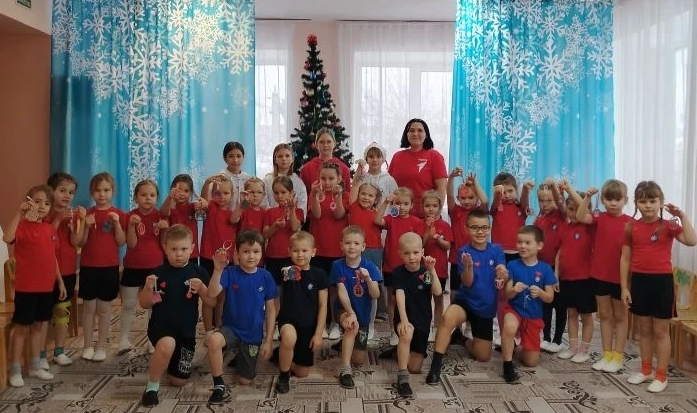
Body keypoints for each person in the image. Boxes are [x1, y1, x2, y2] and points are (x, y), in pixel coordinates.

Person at [621, 181, 696, 393]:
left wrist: (681, 216)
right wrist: (624, 287)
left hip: (662, 283)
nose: (648, 205)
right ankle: (646, 370)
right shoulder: (631, 227)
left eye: (652, 201)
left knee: (661, 332)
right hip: (639, 282)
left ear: (661, 202)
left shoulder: (669, 225)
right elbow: (625, 259)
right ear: (636, 203)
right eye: (643, 201)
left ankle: (662, 376)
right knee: (644, 330)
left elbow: (691, 241)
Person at [426, 210, 507, 385]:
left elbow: (502, 271)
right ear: (466, 229)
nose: (480, 232)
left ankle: (462, 339)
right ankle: (435, 366)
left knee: (483, 356)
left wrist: (502, 273)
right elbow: (467, 283)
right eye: (475, 227)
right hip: (466, 302)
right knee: (447, 318)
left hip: (485, 308)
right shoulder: (464, 252)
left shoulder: (496, 250)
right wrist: (468, 266)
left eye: (484, 227)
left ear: (490, 228)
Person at [138, 225, 214, 407]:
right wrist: (148, 288)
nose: (179, 254)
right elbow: (144, 304)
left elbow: (212, 303)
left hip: (186, 333)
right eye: (173, 249)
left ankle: (167, 359)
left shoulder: (198, 272)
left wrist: (202, 289)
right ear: (165, 248)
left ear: (192, 248)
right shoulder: (158, 273)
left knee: (178, 381)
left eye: (183, 249)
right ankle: (151, 388)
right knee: (167, 344)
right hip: (161, 328)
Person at [205, 229, 278, 404]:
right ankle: (218, 384)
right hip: (230, 328)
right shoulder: (230, 272)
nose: (251, 256)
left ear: (262, 253)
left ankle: (238, 353)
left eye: (256, 251)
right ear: (237, 253)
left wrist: (268, 340)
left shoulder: (266, 276)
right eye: (246, 251)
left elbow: (271, 310)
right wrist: (217, 270)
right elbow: (212, 293)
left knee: (245, 380)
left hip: (252, 334)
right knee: (213, 341)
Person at [4, 185, 67, 387]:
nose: (42, 206)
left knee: (39, 326)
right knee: (22, 328)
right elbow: (7, 238)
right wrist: (19, 213)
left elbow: (52, 257)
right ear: (29, 202)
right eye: (37, 201)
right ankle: (15, 369)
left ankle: (35, 365)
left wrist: (59, 280)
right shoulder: (22, 226)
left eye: (46, 203)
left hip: (46, 287)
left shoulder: (49, 229)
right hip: (26, 288)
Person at [567, 179, 630, 373]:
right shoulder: (599, 217)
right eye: (609, 199)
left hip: (620, 278)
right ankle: (607, 354)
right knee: (605, 316)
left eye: (618, 199)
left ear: (626, 200)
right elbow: (580, 215)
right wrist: (587, 197)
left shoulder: (630, 223)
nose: (613, 203)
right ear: (602, 200)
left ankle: (618, 357)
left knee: (620, 317)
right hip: (599, 275)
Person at [78, 172, 127, 362]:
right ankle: (87, 346)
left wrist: (117, 224)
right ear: (92, 192)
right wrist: (86, 225)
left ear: (112, 191)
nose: (102, 194)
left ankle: (101, 347)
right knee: (89, 308)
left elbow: (121, 242)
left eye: (106, 190)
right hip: (88, 267)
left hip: (109, 268)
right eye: (98, 190)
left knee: (104, 309)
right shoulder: (86, 214)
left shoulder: (119, 214)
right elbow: (81, 242)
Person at [273, 231, 328, 393]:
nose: (300, 254)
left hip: (308, 325)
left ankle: (280, 354)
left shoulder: (319, 275)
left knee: (302, 372)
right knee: (289, 338)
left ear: (313, 252)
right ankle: (284, 375)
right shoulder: (287, 271)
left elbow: (323, 305)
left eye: (304, 250)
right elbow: (284, 277)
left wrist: (318, 334)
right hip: (288, 321)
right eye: (296, 250)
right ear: (289, 251)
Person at [329, 225, 382, 389]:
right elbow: (341, 291)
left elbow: (375, 295)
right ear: (341, 245)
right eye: (348, 243)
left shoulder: (370, 266)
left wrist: (368, 279)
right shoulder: (337, 265)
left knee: (358, 359)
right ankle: (345, 370)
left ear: (363, 246)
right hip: (343, 310)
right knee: (352, 326)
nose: (352, 247)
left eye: (356, 243)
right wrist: (350, 313)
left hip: (363, 314)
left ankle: (344, 343)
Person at [501, 225, 556, 383]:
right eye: (519, 242)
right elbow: (507, 294)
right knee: (510, 326)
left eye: (527, 242)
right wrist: (514, 290)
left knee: (531, 362)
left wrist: (541, 293)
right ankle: (507, 365)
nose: (522, 246)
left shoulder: (546, 269)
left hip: (533, 316)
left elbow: (550, 298)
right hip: (514, 310)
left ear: (539, 245)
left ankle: (514, 347)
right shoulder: (512, 265)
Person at [120, 180, 169, 354]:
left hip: (156, 268)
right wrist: (131, 226)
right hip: (132, 267)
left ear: (157, 198)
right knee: (128, 304)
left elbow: (164, 245)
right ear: (135, 198)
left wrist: (165, 229)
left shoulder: (161, 216)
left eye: (152, 195)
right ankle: (123, 340)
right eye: (143, 195)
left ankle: (152, 341)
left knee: (155, 305)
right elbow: (131, 244)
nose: (148, 198)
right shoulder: (129, 216)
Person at [392, 232, 443, 396]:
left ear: (422, 252)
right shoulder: (398, 272)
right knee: (406, 333)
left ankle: (399, 351)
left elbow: (438, 292)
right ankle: (402, 378)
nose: (411, 257)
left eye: (415, 252)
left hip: (423, 321)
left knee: (415, 367)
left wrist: (432, 270)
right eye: (406, 253)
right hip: (404, 317)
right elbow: (400, 296)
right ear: (400, 253)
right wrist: (404, 320)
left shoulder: (426, 272)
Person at [43, 172, 84, 368]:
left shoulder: (72, 215)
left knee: (62, 312)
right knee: (43, 315)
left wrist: (79, 223)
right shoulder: (44, 213)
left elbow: (75, 241)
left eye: (71, 192)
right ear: (51, 191)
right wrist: (59, 218)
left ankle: (59, 350)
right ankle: (40, 354)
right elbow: (46, 239)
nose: (67, 195)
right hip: (46, 272)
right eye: (62, 190)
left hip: (67, 270)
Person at [375, 187, 425, 346]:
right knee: (392, 298)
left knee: (410, 298)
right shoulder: (390, 219)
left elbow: (420, 244)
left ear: (412, 205)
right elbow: (377, 220)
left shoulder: (417, 222)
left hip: (411, 267)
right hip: (391, 266)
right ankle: (392, 330)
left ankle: (410, 326)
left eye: (406, 203)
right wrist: (385, 202)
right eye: (398, 203)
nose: (402, 207)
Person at [490, 172, 533, 350]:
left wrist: (526, 189)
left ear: (516, 190)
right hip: (500, 257)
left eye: (510, 191)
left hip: (518, 257)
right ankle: (502, 333)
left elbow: (525, 202)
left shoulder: (520, 207)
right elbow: (494, 205)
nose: (507, 195)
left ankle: (519, 333)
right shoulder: (497, 207)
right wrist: (497, 194)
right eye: (503, 192)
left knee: (519, 295)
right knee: (501, 296)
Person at [555, 189, 596, 364]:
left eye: (577, 209)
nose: (573, 213)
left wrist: (584, 199)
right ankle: (572, 348)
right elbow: (560, 253)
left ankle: (584, 350)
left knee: (586, 316)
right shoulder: (565, 227)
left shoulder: (589, 227)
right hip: (567, 279)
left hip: (585, 280)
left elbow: (585, 212)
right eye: (570, 209)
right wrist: (556, 275)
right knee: (571, 313)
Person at [309, 161, 349, 339]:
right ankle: (320, 324)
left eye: (331, 178)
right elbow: (316, 215)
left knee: (335, 288)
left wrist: (337, 196)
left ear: (339, 179)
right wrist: (315, 196)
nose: (327, 182)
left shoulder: (344, 195)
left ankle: (334, 322)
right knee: (320, 288)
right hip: (318, 249)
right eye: (323, 178)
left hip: (337, 250)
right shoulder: (316, 194)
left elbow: (339, 214)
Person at [263, 175, 303, 339]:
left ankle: (287, 323)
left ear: (291, 193)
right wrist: (275, 226)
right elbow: (265, 234)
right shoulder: (270, 212)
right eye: (276, 193)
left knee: (290, 291)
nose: (280, 196)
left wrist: (291, 210)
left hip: (289, 259)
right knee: (274, 292)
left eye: (283, 192)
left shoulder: (298, 211)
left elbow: (294, 227)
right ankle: (273, 324)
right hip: (272, 258)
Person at [199, 174, 237, 338]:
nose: (221, 197)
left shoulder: (233, 214)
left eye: (226, 193)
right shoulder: (211, 208)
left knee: (222, 296)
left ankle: (219, 327)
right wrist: (207, 182)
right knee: (209, 296)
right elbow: (203, 199)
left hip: (226, 261)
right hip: (208, 258)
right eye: (217, 193)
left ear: (232, 195)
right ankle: (208, 330)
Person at [388, 119, 448, 218]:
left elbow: (441, 188)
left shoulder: (434, 156)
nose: (415, 133)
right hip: (399, 216)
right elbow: (389, 185)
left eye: (420, 130)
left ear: (426, 134)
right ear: (406, 134)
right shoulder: (397, 156)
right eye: (411, 130)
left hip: (425, 217)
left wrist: (436, 215)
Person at [533, 179, 566, 353]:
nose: (544, 204)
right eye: (541, 200)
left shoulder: (561, 215)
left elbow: (560, 203)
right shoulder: (539, 220)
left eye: (548, 200)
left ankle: (558, 339)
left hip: (558, 269)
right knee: (545, 304)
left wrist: (554, 188)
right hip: (543, 268)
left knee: (559, 305)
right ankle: (545, 337)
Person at [348, 180, 384, 340]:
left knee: (372, 288)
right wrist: (358, 174)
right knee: (354, 286)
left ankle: (370, 325)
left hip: (373, 252)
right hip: (355, 252)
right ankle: (354, 320)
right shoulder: (354, 207)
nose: (366, 197)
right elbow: (354, 187)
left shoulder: (377, 215)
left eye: (370, 195)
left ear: (376, 200)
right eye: (363, 194)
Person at [446, 168, 488, 304]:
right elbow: (449, 196)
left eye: (471, 197)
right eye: (463, 198)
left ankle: (471, 315)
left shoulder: (479, 212)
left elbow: (485, 201)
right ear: (458, 198)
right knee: (455, 290)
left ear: (476, 198)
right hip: (456, 258)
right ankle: (455, 315)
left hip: (476, 257)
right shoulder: (455, 211)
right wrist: (451, 178)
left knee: (474, 289)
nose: (467, 201)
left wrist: (475, 183)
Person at [421, 190, 452, 337]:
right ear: (422, 207)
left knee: (438, 297)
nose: (431, 209)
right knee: (425, 298)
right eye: (427, 206)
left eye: (434, 206)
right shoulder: (420, 224)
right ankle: (425, 326)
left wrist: (438, 238)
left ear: (439, 207)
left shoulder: (445, 225)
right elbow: (419, 244)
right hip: (424, 269)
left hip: (440, 269)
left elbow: (448, 246)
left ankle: (437, 327)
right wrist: (428, 233)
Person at [299, 128, 351, 214]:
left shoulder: (344, 169)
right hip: (314, 215)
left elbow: (347, 194)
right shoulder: (306, 169)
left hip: (338, 214)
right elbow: (303, 195)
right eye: (322, 142)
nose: (325, 145)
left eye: (329, 142)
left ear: (334, 144)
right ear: (316, 144)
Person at [159, 174, 207, 266]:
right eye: (179, 190)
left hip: (191, 254)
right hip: (172, 254)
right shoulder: (169, 207)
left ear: (191, 193)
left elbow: (203, 212)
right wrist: (170, 197)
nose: (182, 193)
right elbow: (163, 213)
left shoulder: (193, 207)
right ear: (172, 190)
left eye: (186, 191)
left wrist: (205, 204)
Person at [264, 143, 308, 220]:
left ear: (292, 159)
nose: (284, 159)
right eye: (280, 156)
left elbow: (302, 206)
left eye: (287, 156)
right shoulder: (267, 179)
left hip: (291, 221)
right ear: (275, 160)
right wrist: (273, 217)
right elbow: (263, 202)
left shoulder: (298, 182)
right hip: (271, 221)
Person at [215, 141, 253, 207]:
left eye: (239, 156)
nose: (235, 160)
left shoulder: (248, 179)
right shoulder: (219, 178)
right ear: (224, 158)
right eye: (231, 156)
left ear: (243, 157)